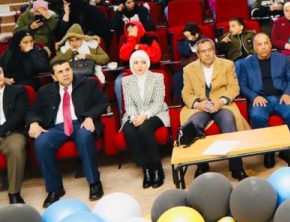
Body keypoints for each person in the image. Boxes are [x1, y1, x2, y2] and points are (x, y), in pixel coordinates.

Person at [28, 59, 108, 207]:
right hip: (56, 127)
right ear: (53, 77)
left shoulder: (87, 83)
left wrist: (90, 116)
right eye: (60, 72)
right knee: (41, 143)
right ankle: (55, 189)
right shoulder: (45, 91)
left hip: (80, 122)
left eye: (67, 70)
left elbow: (102, 102)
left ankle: (94, 182)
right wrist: (33, 123)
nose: (65, 74)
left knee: (85, 136)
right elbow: (33, 111)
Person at [181, 38, 249, 179]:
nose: (207, 54)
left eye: (210, 50)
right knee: (193, 124)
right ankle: (202, 165)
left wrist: (221, 101)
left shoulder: (227, 64)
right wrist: (198, 104)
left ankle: (236, 167)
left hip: (222, 105)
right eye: (203, 51)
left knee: (229, 122)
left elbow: (234, 88)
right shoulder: (188, 69)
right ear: (198, 54)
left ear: (214, 50)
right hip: (200, 107)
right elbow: (186, 93)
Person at [236, 33, 290, 168]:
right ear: (254, 47)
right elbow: (242, 85)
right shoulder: (245, 64)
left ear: (271, 44)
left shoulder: (282, 59)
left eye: (266, 43)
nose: (263, 47)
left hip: (281, 97)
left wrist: (287, 93)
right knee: (256, 116)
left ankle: (286, 149)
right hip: (261, 99)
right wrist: (254, 96)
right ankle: (268, 151)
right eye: (259, 44)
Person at [121, 50, 169, 189]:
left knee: (144, 128)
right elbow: (129, 104)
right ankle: (146, 169)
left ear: (147, 63)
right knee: (129, 130)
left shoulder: (157, 77)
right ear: (132, 65)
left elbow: (158, 102)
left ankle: (157, 168)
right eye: (136, 63)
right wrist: (133, 116)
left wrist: (144, 116)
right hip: (135, 114)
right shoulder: (126, 81)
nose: (140, 65)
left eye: (143, 62)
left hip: (156, 112)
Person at [115, 21, 162, 115]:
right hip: (130, 72)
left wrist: (140, 47)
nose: (131, 32)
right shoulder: (126, 41)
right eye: (129, 31)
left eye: (133, 29)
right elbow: (123, 56)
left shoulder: (150, 39)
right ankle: (123, 113)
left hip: (149, 71)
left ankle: (153, 111)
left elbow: (156, 56)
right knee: (118, 81)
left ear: (139, 29)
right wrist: (132, 39)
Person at [0, 67, 30, 204]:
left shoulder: (17, 91)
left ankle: (14, 193)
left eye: (0, 73)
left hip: (12, 132)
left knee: (16, 148)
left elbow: (19, 115)